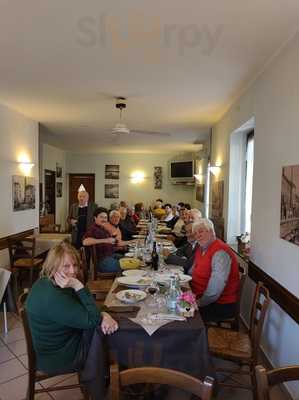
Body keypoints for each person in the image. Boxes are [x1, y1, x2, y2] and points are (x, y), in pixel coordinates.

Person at [25, 241, 118, 400]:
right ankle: (101, 383)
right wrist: (77, 285)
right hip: (57, 357)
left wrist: (104, 315)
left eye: (75, 265)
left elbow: (83, 307)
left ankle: (102, 377)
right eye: (66, 266)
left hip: (55, 345)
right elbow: (92, 319)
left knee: (101, 325)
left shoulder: (47, 282)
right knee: (101, 333)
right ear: (53, 267)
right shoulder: (54, 297)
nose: (73, 271)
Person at [191, 218, 240, 322]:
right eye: (195, 234)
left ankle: (193, 337)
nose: (198, 236)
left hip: (219, 305)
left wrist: (197, 303)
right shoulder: (202, 248)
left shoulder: (220, 252)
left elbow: (214, 291)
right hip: (199, 296)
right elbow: (192, 271)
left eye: (201, 231)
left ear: (212, 231)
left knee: (180, 316)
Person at [83, 207, 121, 272]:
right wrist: (106, 240)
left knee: (130, 260)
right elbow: (85, 241)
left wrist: (119, 246)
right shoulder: (93, 229)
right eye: (101, 217)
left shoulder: (103, 228)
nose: (104, 219)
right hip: (103, 262)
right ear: (95, 218)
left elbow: (110, 244)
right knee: (128, 266)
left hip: (111, 256)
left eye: (105, 217)